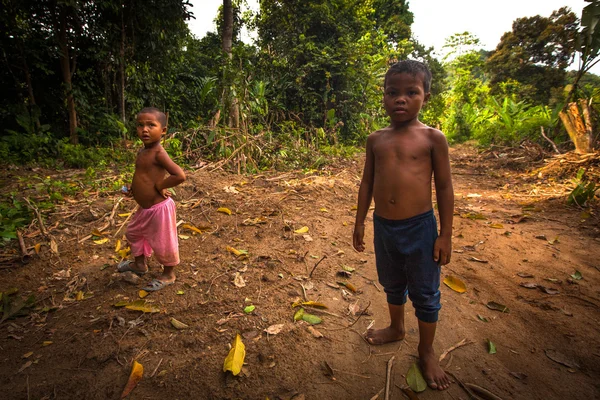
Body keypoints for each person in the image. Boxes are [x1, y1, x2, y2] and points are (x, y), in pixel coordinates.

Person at [352, 60, 453, 390]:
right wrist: (359, 223)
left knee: (425, 291)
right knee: (392, 283)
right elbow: (367, 183)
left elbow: (445, 187)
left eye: (411, 92)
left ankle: (426, 350)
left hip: (420, 228)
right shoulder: (375, 140)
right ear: (383, 96)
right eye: (392, 92)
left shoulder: (432, 138)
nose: (401, 99)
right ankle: (396, 328)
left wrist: (445, 235)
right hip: (384, 227)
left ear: (426, 95)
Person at [117, 107, 186, 291]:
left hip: (159, 209)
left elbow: (179, 175)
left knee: (163, 242)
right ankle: (140, 265)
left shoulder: (158, 153)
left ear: (163, 130)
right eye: (140, 125)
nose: (144, 130)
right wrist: (133, 189)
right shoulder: (142, 152)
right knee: (133, 233)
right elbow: (142, 174)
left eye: (151, 125)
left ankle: (169, 274)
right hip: (145, 209)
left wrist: (160, 186)